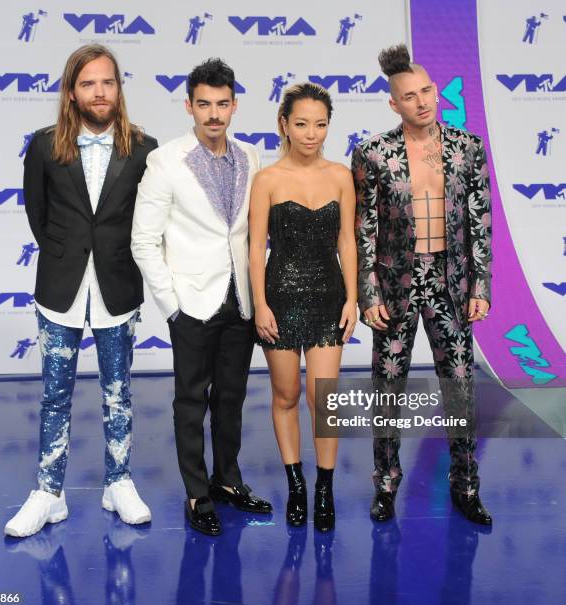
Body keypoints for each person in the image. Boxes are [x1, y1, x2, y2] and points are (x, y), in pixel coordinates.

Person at [4, 44, 157, 538]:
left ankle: (120, 483)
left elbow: (146, 222)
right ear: (72, 92)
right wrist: (67, 254)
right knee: (54, 396)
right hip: (60, 287)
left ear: (119, 88)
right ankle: (48, 493)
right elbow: (38, 214)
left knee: (119, 394)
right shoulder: (45, 146)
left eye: (107, 82)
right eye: (88, 83)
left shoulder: (144, 147)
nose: (99, 92)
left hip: (117, 286)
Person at [351, 44, 492, 525]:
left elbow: (480, 222)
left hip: (451, 285)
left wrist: (481, 286)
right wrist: (368, 294)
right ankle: (386, 486)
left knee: (460, 388)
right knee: (387, 387)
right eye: (409, 96)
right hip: (395, 286)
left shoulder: (467, 147)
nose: (422, 101)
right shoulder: (373, 153)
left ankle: (466, 485)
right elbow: (364, 228)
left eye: (427, 90)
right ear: (394, 103)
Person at [131, 58, 272, 536]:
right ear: (189, 105)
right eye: (204, 104)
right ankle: (197, 493)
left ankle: (227, 480)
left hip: (242, 299)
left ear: (235, 105)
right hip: (190, 302)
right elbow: (143, 241)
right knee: (190, 400)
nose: (214, 114)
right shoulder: (164, 160)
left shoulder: (252, 156)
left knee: (231, 397)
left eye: (223, 104)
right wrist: (171, 305)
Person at [249, 83, 357, 532]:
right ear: (284, 125)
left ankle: (324, 489)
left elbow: (347, 241)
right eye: (302, 124)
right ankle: (295, 485)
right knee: (286, 394)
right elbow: (256, 249)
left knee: (324, 399)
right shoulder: (267, 180)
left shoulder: (341, 176)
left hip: (329, 295)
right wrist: (259, 304)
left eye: (320, 124)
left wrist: (353, 297)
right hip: (280, 296)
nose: (312, 134)